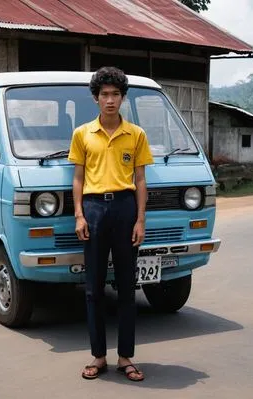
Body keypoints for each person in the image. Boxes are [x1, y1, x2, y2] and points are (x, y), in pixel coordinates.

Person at [68, 66, 154, 381]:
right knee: (93, 289)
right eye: (104, 94)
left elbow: (142, 180)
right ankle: (99, 356)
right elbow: (77, 178)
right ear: (95, 98)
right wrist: (79, 214)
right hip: (92, 209)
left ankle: (126, 357)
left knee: (128, 288)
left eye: (115, 94)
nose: (109, 100)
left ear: (123, 98)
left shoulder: (136, 134)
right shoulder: (82, 134)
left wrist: (140, 220)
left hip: (125, 208)